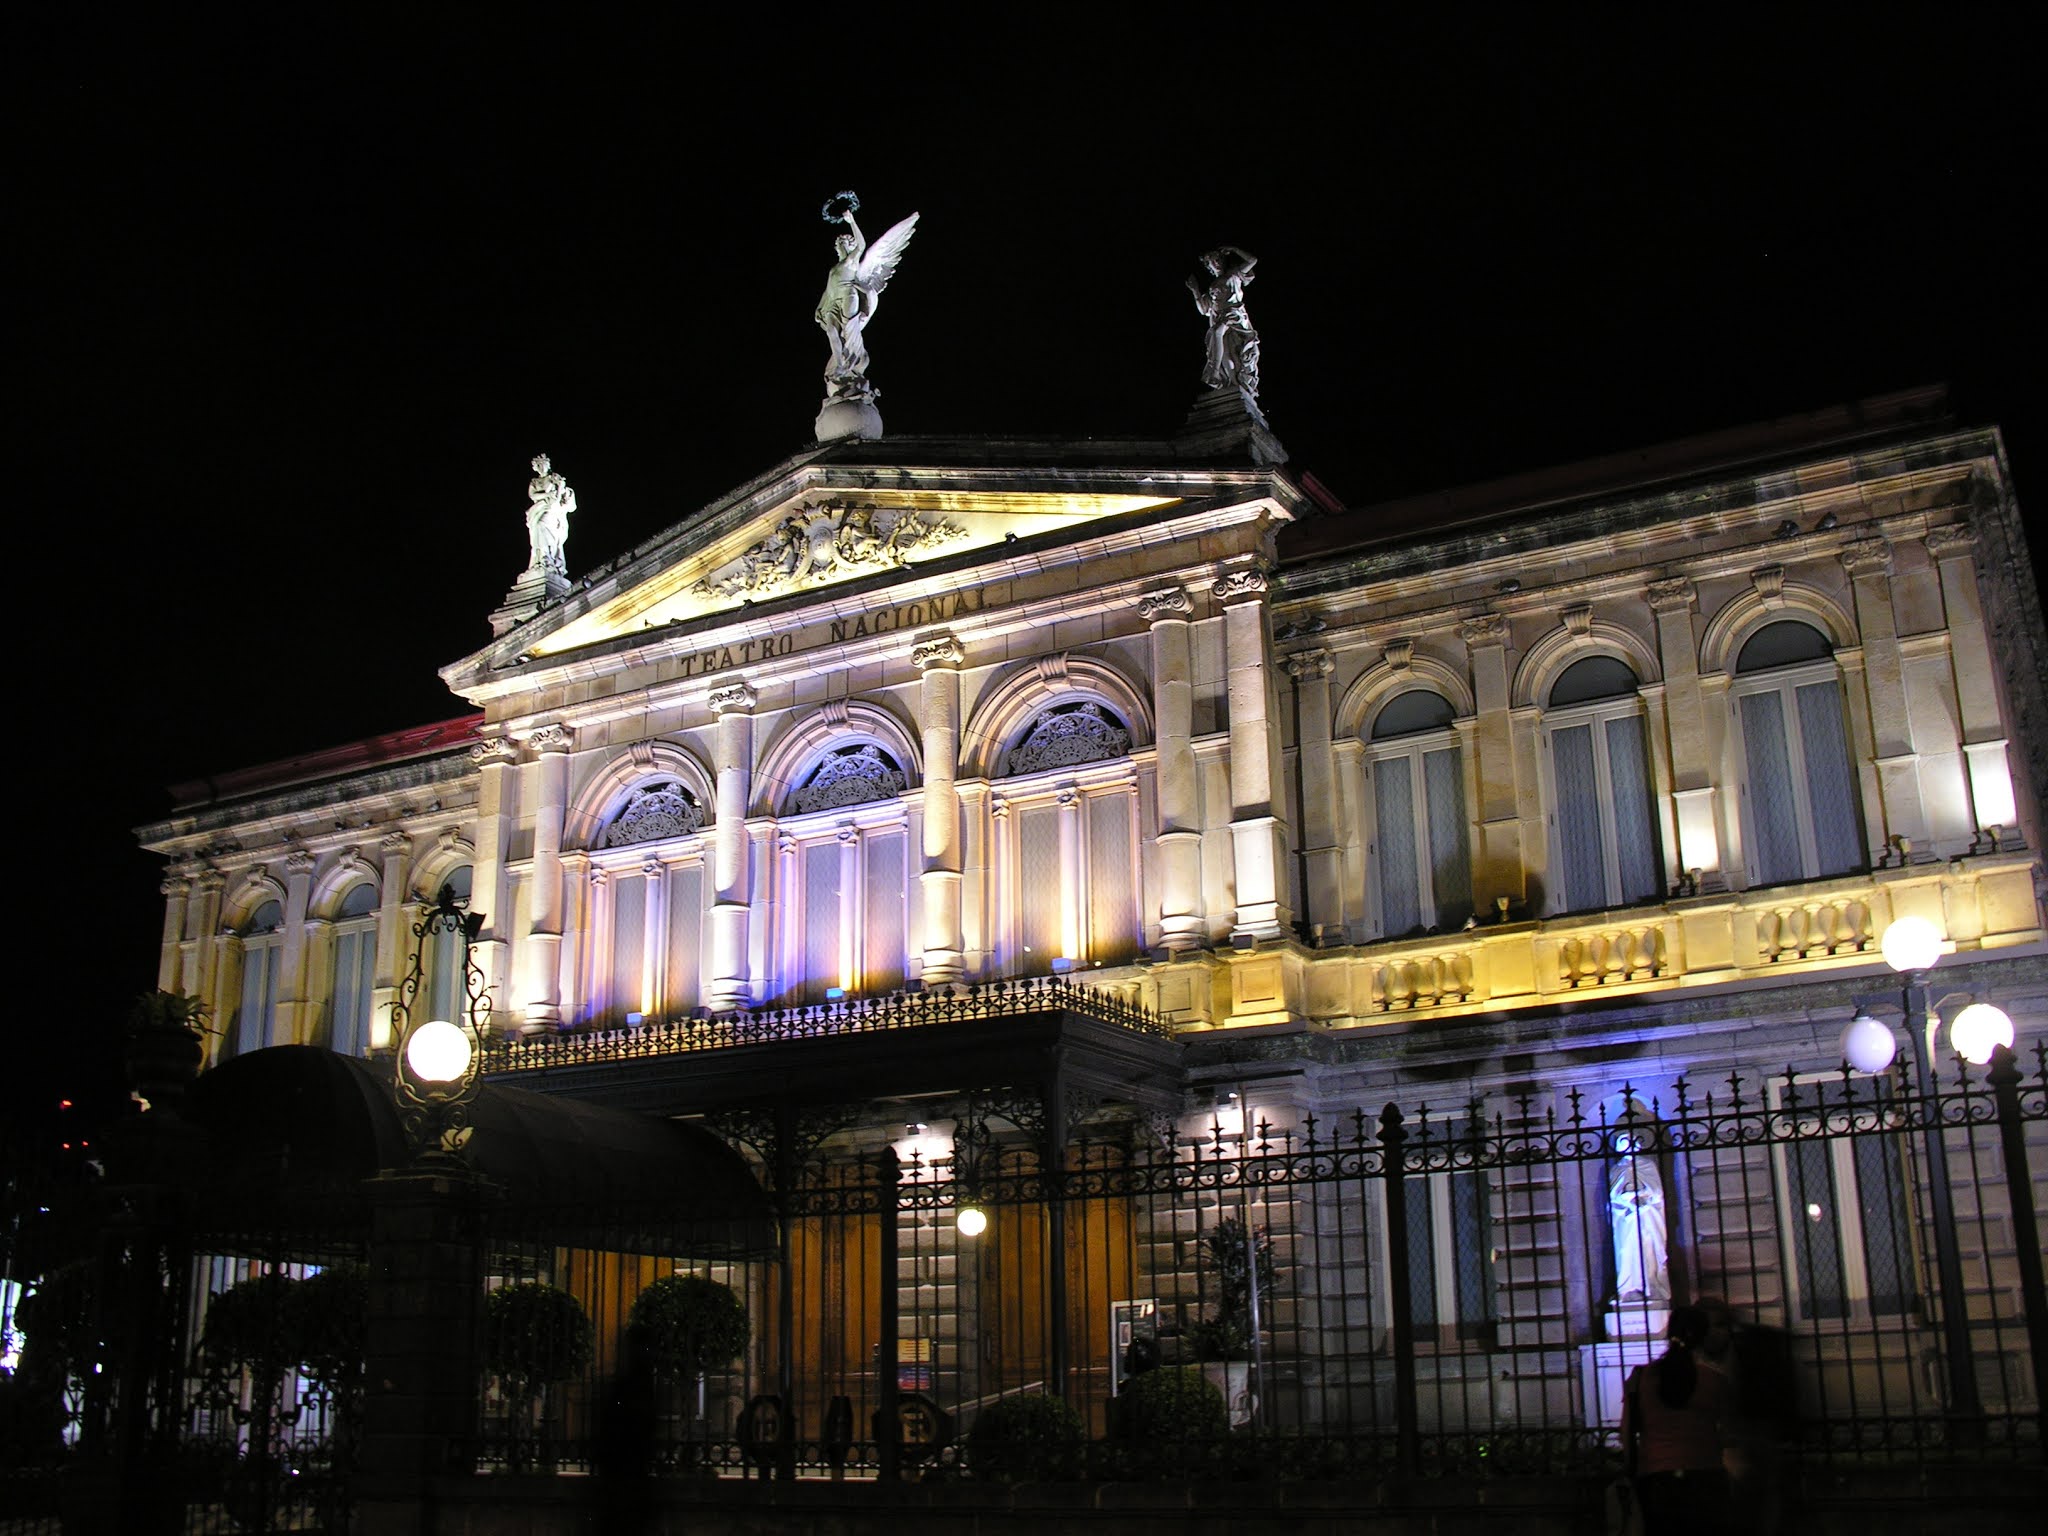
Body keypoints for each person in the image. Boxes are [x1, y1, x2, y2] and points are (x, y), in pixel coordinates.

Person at [1620, 1304, 1731, 1535]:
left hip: (1657, 1478)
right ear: (1702, 1337)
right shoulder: (1715, 1380)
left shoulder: (1641, 1378)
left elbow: (1626, 1432)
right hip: (1705, 1476)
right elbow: (1727, 1433)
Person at [1186, 246, 1262, 397]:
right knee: (1228, 356)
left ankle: (1212, 372)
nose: (1216, 262)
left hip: (1234, 315)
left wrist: (1233, 249)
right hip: (1219, 317)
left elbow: (1253, 260)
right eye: (1212, 261)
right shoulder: (1211, 288)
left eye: (1218, 259)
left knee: (1216, 331)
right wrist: (1195, 290)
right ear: (1208, 266)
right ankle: (1233, 383)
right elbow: (1204, 310)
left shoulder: (1233, 274)